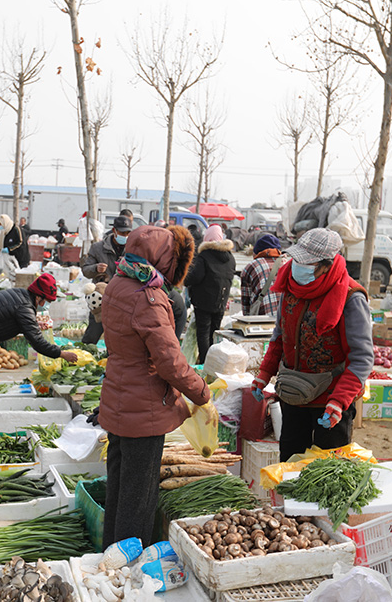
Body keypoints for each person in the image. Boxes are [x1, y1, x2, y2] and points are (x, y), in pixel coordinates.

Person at [99, 224, 211, 547]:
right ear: (164, 260)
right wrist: (202, 393)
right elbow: (170, 363)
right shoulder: (148, 298)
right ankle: (129, 570)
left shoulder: (117, 284)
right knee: (139, 500)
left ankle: (111, 558)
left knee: (119, 490)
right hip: (143, 412)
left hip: (118, 402)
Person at [251, 228, 374, 461]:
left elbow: (362, 359)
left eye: (306, 262)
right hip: (294, 395)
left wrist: (338, 402)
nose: (297, 265)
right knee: (289, 463)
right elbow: (279, 337)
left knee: (326, 474)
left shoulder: (351, 297)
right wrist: (264, 374)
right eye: (296, 259)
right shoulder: (290, 286)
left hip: (331, 401)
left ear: (327, 265)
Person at [0, 273, 79, 431]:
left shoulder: (20, 295)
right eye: (47, 301)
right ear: (38, 297)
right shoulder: (25, 307)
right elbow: (37, 342)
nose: (47, 305)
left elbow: (11, 317)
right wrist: (62, 354)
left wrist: (33, 323)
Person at [183, 225, 236, 364]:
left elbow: (195, 277)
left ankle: (205, 364)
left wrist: (185, 279)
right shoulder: (230, 258)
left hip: (203, 302)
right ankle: (215, 364)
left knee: (203, 333)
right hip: (221, 302)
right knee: (215, 333)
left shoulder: (205, 256)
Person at [80, 216, 131, 344]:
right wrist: (96, 268)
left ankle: (112, 359)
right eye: (122, 232)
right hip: (101, 297)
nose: (125, 236)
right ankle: (83, 355)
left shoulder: (132, 249)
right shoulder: (98, 248)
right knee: (93, 332)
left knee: (117, 334)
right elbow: (86, 270)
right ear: (114, 230)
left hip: (123, 298)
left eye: (127, 233)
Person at [241, 234, 285, 316]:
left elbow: (245, 301)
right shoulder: (287, 263)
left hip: (262, 316)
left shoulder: (251, 266)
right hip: (285, 317)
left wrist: (247, 318)